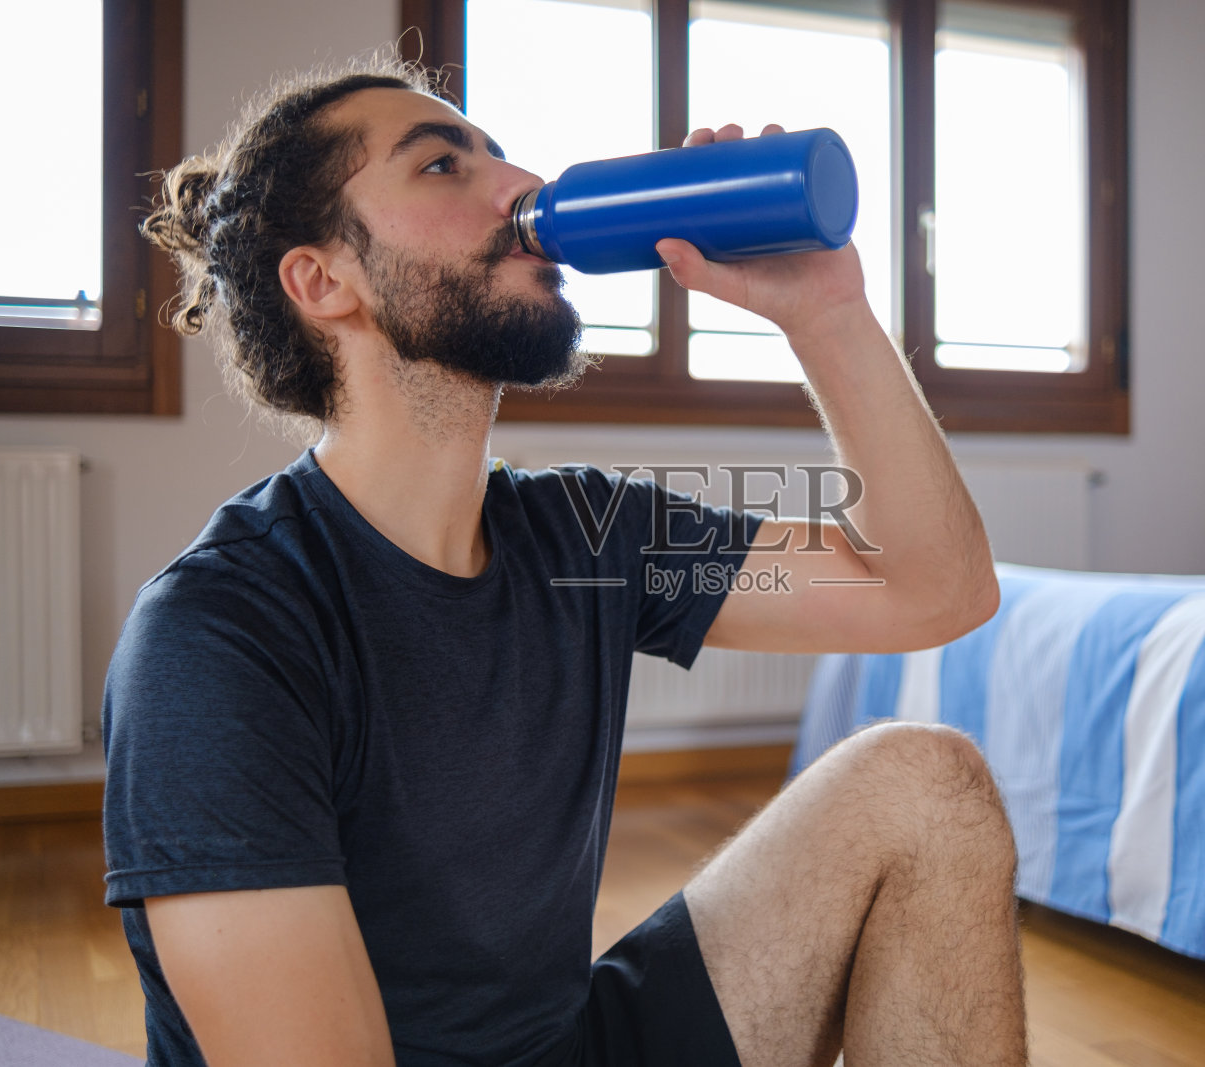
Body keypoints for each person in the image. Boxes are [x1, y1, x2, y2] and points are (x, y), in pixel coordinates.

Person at [102, 51, 1025, 1067]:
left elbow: (937, 588)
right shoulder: (222, 631)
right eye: (443, 167)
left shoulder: (587, 535)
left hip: (569, 1041)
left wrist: (826, 312)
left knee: (925, 783)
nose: (521, 185)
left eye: (500, 154)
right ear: (324, 281)